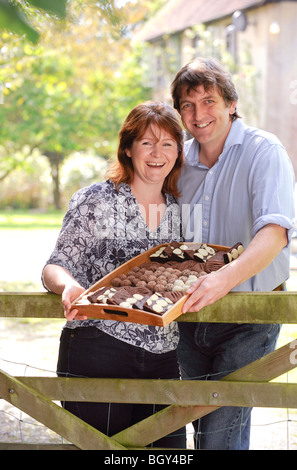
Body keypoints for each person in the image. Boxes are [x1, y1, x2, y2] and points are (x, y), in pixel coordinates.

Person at [42, 101, 186, 448]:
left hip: (163, 355)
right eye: (147, 143)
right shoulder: (97, 200)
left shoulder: (180, 211)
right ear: (127, 148)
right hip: (99, 348)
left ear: (178, 152)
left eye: (167, 143)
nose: (157, 153)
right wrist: (69, 286)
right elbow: (54, 266)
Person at [170, 57, 295, 450]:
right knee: (192, 421)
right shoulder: (177, 161)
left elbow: (275, 231)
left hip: (249, 313)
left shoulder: (263, 150)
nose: (198, 113)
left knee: (221, 434)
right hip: (188, 314)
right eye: (187, 105)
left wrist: (226, 277)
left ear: (230, 104)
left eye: (208, 100)